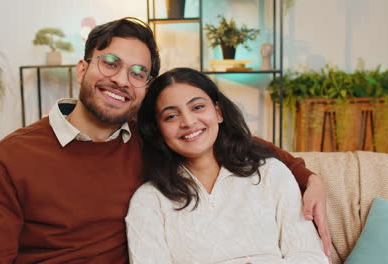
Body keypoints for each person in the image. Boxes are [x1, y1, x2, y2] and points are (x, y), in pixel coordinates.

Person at [0, 17, 330, 263]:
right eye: (110, 63)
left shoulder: (148, 137)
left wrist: (307, 176)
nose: (122, 80)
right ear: (83, 67)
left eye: (138, 73)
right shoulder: (11, 158)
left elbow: (226, 138)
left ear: (146, 88)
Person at [126, 67, 329, 264]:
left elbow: (312, 257)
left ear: (219, 112)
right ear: (158, 129)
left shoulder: (270, 173)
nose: (188, 121)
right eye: (171, 116)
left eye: (197, 107)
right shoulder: (149, 200)